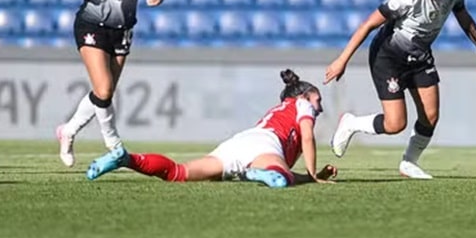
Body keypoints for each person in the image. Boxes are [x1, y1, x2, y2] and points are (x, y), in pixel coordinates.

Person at [324, 0, 476, 179]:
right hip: (388, 57)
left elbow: (465, 19)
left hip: (419, 57)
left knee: (430, 116)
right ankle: (352, 123)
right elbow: (369, 24)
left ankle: (409, 163)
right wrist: (342, 60)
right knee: (395, 124)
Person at [85, 69, 339, 187]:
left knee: (179, 172)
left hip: (237, 143)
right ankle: (254, 173)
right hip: (265, 145)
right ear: (305, 96)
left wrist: (312, 177)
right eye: (318, 100)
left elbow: (292, 171)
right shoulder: (302, 105)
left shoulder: (281, 109)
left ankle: (126, 159)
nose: (320, 107)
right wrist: (314, 173)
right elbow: (307, 137)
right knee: (281, 179)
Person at [56, 0, 166, 168]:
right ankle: (113, 142)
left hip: (123, 29)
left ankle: (68, 130)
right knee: (104, 89)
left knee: (103, 92)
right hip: (91, 24)